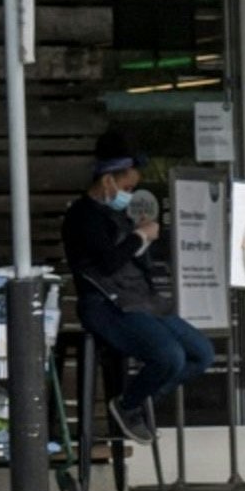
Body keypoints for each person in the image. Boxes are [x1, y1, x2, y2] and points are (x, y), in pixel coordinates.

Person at [61, 150, 215, 440]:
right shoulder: (82, 217)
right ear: (108, 181)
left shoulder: (118, 215)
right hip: (106, 304)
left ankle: (141, 398)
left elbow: (134, 262)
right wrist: (140, 236)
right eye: (127, 188)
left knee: (201, 353)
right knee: (169, 356)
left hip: (140, 299)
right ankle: (129, 405)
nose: (129, 195)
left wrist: (141, 238)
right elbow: (107, 263)